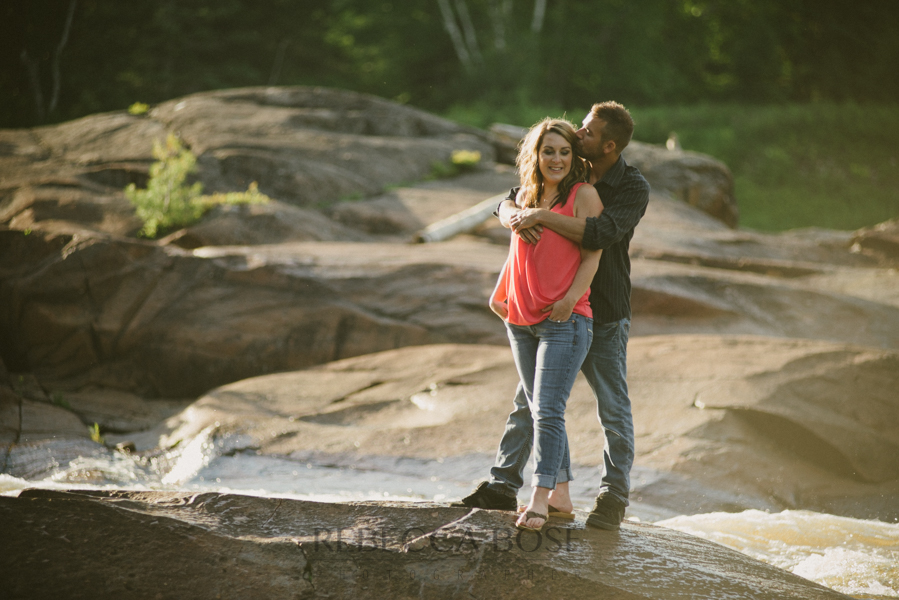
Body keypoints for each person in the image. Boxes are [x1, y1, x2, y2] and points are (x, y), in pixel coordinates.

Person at [454, 102, 650, 531]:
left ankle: (613, 496)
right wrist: (513, 216)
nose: (579, 136)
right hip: (543, 307)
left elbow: (600, 234)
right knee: (532, 403)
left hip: (601, 309)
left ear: (610, 145)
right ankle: (505, 484)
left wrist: (538, 217)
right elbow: (513, 199)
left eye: (588, 132)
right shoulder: (570, 164)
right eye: (579, 129)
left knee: (611, 407)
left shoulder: (631, 187)